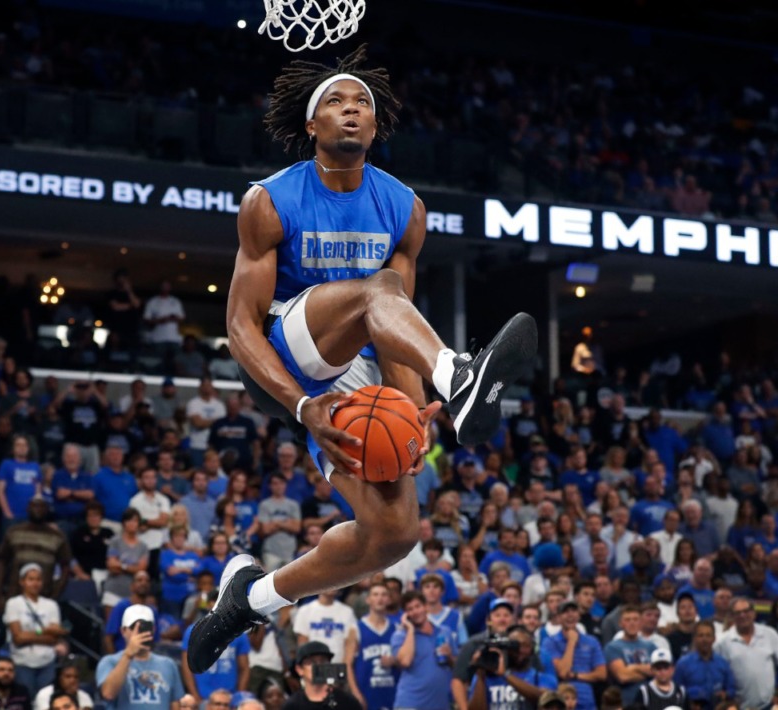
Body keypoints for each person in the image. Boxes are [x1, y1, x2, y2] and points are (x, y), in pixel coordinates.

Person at [187, 46, 536, 673]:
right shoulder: (269, 201)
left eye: (362, 104)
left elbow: (391, 326)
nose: (350, 110)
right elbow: (239, 325)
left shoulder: (405, 208)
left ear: (375, 128)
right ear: (311, 126)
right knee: (377, 288)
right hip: (291, 343)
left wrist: (406, 405)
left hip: (362, 363)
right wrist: (299, 403)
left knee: (395, 533)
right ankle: (459, 374)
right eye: (335, 102)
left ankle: (252, 598)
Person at [97, 604, 184, 710]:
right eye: (134, 627)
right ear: (123, 631)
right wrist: (128, 655)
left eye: (145, 627)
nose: (139, 632)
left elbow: (175, 704)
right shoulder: (109, 662)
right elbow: (108, 693)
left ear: (153, 630)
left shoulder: (168, 664)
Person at [714, 597, 778, 709]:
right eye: (738, 613)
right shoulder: (723, 642)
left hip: (768, 705)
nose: (742, 615)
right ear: (732, 616)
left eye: (746, 611)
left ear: (753, 613)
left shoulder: (769, 634)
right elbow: (716, 671)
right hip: (738, 707)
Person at [3, 563, 68, 697]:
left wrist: (30, 634)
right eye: (31, 579)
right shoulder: (13, 603)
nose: (35, 583)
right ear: (22, 582)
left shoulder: (51, 605)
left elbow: (54, 638)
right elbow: (18, 638)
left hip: (47, 662)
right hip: (22, 662)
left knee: (45, 700)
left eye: (38, 579)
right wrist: (44, 631)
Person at [467, 626, 559, 710]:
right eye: (515, 645)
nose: (520, 650)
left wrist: (505, 675)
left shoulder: (540, 678)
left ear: (532, 649)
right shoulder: (486, 678)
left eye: (525, 645)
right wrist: (480, 675)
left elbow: (544, 698)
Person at [540, 601, 606, 710]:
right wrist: (571, 642)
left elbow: (602, 674)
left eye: (574, 611)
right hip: (562, 702)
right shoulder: (550, 642)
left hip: (587, 702)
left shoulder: (592, 641)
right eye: (565, 612)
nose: (570, 615)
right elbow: (563, 672)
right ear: (559, 617)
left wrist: (576, 675)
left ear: (579, 615)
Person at [350, 582, 399, 710]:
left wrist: (394, 661)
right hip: (366, 693)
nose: (380, 598)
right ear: (368, 599)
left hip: (392, 692)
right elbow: (348, 665)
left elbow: (406, 661)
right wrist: (356, 694)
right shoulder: (356, 629)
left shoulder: (397, 629)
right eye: (375, 594)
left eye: (384, 595)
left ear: (389, 599)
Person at [282, 641, 362, 710]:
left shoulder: (347, 702)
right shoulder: (292, 706)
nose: (318, 666)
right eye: (312, 662)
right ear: (299, 670)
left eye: (323, 661)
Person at [672, 621, 735, 708]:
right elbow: (676, 692)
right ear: (694, 638)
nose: (704, 639)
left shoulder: (723, 663)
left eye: (708, 635)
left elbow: (731, 689)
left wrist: (725, 694)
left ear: (714, 638)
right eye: (700, 635)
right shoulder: (683, 664)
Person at [605, 605, 657, 705]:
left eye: (635, 619)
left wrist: (633, 667)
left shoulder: (651, 646)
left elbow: (658, 673)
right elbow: (623, 676)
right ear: (621, 623)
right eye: (627, 620)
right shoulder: (612, 647)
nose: (632, 623)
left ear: (641, 622)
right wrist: (647, 673)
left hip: (650, 701)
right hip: (626, 701)